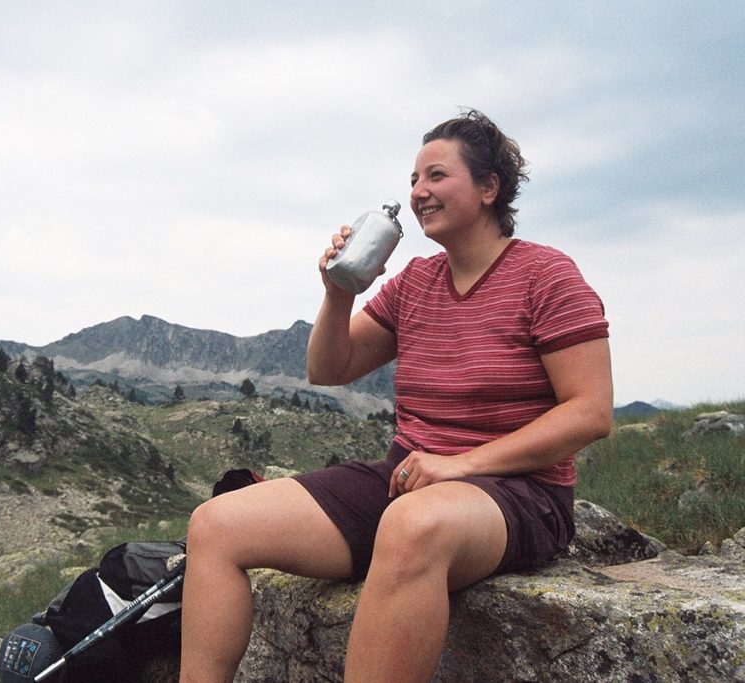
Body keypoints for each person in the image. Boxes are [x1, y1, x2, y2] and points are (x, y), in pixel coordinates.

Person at [178, 109, 613, 682]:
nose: (418, 192)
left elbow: (590, 411)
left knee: (413, 526)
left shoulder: (547, 276)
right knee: (216, 525)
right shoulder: (415, 283)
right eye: (413, 180)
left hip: (519, 493)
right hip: (409, 476)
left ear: (489, 188)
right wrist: (339, 289)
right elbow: (330, 369)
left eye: (436, 176)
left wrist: (460, 466)